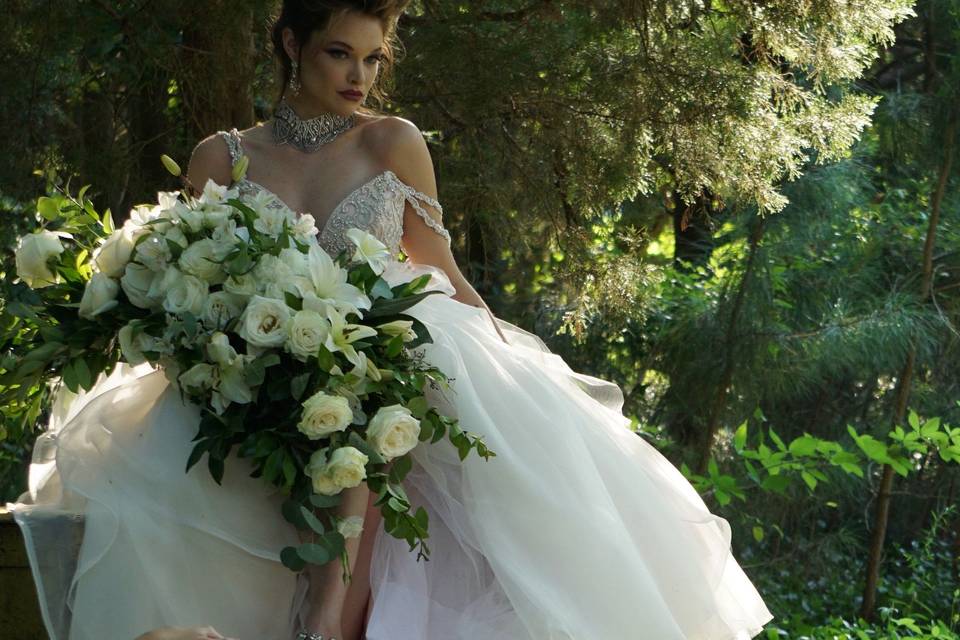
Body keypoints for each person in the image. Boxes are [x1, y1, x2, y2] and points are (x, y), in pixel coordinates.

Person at [7, 1, 775, 639]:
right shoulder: (223, 158)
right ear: (289, 44)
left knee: (383, 390)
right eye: (341, 53)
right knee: (162, 492)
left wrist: (517, 360)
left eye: (373, 59)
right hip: (257, 363)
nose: (359, 76)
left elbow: (439, 264)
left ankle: (333, 623)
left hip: (384, 351)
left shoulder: (391, 141)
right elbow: (191, 280)